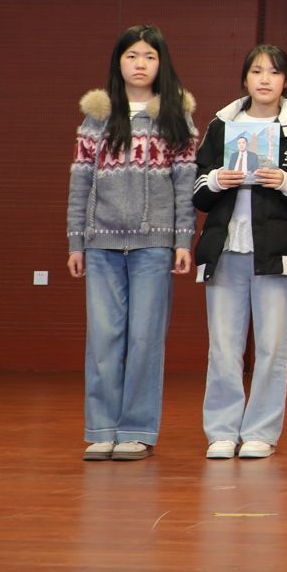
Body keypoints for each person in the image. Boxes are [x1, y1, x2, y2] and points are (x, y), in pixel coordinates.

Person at [66, 24, 197, 462]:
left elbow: (185, 186)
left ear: (162, 64)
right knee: (104, 339)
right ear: (118, 62)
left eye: (149, 56)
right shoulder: (97, 116)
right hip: (101, 244)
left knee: (145, 340)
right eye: (132, 56)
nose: (140, 64)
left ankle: (137, 430)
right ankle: (102, 429)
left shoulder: (176, 116)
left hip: (154, 246)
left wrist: (183, 240)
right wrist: (76, 242)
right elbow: (80, 183)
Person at [191, 44, 287, 460]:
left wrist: (285, 181)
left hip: (277, 252)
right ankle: (222, 431)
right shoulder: (221, 126)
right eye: (257, 71)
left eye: (274, 72)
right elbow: (197, 189)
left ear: (286, 80)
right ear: (245, 79)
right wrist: (216, 180)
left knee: (272, 347)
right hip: (225, 248)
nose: (265, 79)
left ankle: (261, 431)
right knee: (223, 347)